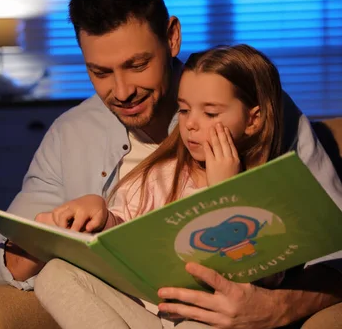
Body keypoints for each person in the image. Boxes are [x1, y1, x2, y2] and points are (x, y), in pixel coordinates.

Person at [0, 0, 342, 328]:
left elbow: (334, 247)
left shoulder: (250, 110)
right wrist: (50, 234)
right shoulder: (71, 133)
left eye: (137, 65)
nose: (121, 92)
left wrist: (276, 308)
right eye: (100, 72)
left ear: (172, 37)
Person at [33, 44, 288, 329]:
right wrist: (103, 217)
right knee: (54, 273)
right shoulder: (160, 176)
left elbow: (266, 281)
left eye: (211, 113)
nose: (191, 124)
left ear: (253, 120)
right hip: (151, 317)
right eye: (184, 109)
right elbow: (125, 238)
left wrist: (225, 195)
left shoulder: (270, 190)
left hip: (210, 320)